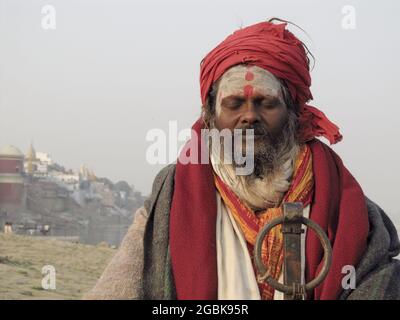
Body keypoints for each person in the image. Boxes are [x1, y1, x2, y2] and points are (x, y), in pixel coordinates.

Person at [84, 18, 400, 300]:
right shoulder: (173, 194)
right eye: (234, 104)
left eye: (266, 103)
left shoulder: (344, 204)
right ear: (209, 117)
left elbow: (379, 281)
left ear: (292, 113)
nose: (249, 116)